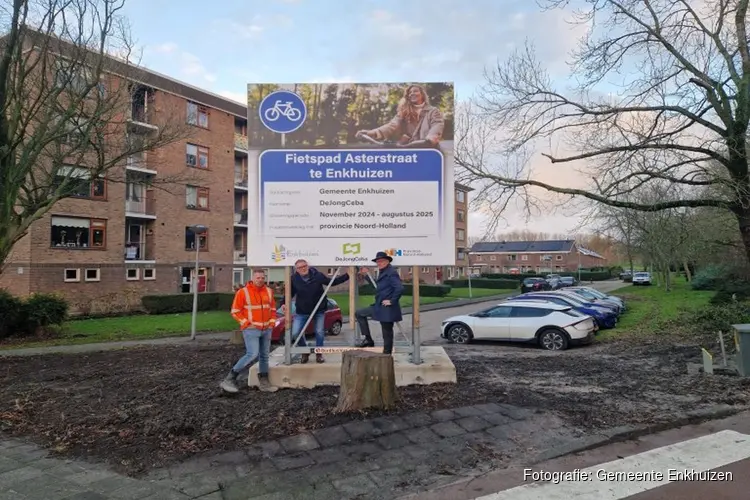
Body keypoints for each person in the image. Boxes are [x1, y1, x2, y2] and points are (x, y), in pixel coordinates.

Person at [279, 260, 350, 364]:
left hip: (318, 310)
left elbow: (332, 282)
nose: (303, 268)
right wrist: (283, 302)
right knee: (295, 333)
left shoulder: (317, 275)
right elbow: (289, 293)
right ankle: (305, 351)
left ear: (307, 266)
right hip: (302, 311)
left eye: (304, 266)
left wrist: (347, 275)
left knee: (319, 332)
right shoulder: (294, 279)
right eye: (300, 267)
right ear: (296, 270)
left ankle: (319, 353)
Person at [221, 269, 278, 394]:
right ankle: (230, 378)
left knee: (264, 356)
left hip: (266, 329)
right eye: (258, 277)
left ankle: (264, 381)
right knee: (252, 354)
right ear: (253, 278)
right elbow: (235, 311)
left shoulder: (269, 291)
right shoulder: (243, 292)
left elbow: (273, 309)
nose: (261, 280)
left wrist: (272, 322)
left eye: (263, 277)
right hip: (251, 330)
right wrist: (246, 323)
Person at [357, 84, 444, 148]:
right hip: (408, 149)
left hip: (427, 149)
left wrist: (431, 139)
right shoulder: (404, 111)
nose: (412, 94)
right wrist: (372, 133)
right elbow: (392, 125)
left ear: (422, 95)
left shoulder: (433, 111)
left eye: (415, 91)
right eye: (410, 92)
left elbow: (437, 125)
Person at [355, 251, 404, 354]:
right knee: (359, 313)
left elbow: (399, 288)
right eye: (378, 262)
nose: (379, 263)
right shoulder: (383, 272)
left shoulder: (391, 272)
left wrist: (392, 301)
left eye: (381, 261)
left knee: (387, 332)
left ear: (387, 261)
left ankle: (387, 354)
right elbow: (378, 286)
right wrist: (366, 275)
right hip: (379, 306)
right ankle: (368, 339)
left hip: (387, 309)